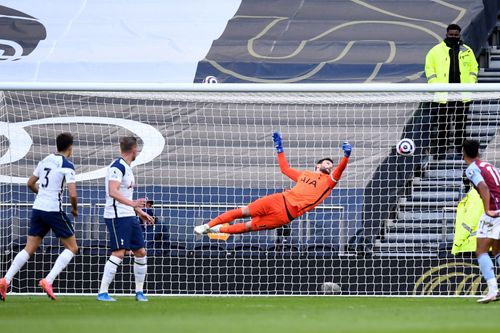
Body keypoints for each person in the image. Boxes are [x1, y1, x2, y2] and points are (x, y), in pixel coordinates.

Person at [194, 132, 351, 235]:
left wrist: (346, 156)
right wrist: (279, 148)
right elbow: (285, 169)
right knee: (243, 211)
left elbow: (340, 170)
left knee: (248, 227)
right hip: (279, 199)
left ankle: (217, 229)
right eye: (327, 163)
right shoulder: (304, 175)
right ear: (317, 165)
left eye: (331, 165)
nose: (330, 165)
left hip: (285, 215)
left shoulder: (330, 182)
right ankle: (207, 225)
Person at [0, 133, 78, 301]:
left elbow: (30, 183)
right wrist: (74, 209)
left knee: (28, 249)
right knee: (72, 247)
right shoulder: (67, 165)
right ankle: (48, 280)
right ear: (70, 148)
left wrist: (42, 193)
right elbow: (72, 194)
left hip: (38, 209)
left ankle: (5, 280)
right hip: (53, 210)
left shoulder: (45, 160)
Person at [96, 136, 154, 302]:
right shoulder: (117, 167)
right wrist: (133, 203)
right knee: (119, 253)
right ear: (134, 150)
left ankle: (139, 292)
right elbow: (113, 191)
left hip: (128, 215)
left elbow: (124, 194)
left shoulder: (127, 168)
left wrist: (138, 211)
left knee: (141, 252)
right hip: (117, 216)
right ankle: (102, 292)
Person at [425, 23, 478, 160]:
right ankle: (440, 152)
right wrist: (435, 85)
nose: (453, 37)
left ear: (459, 35)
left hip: (462, 95)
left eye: (456, 35)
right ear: (446, 34)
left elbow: (474, 67)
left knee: (460, 125)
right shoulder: (435, 51)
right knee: (442, 124)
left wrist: (470, 84)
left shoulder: (467, 51)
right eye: (451, 35)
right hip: (443, 95)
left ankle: (460, 151)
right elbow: (429, 69)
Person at [462, 139, 500, 303]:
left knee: (481, 250)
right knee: (497, 251)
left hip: (494, 212)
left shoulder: (472, 169)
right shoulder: (488, 165)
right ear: (478, 151)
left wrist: (487, 209)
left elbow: (483, 187)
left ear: (463, 153)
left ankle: (492, 290)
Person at [451, 171, 484, 256]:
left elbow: (470, 222)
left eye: (465, 180)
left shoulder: (476, 195)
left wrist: (457, 243)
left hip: (472, 245)